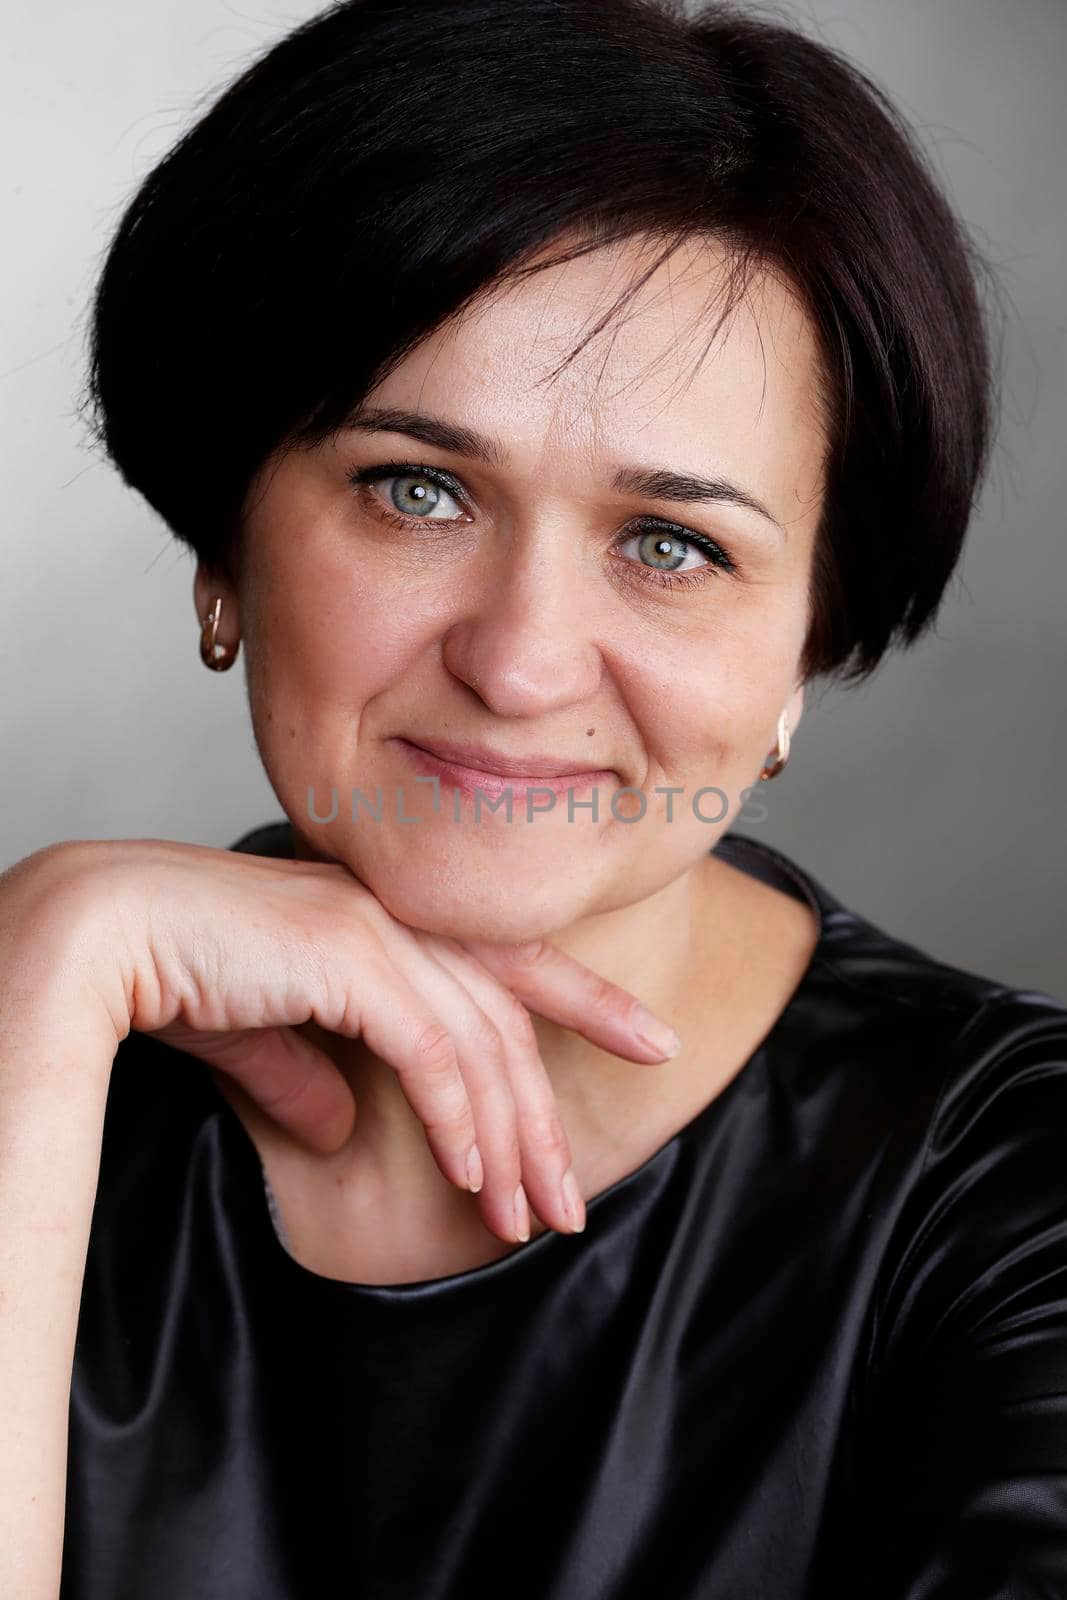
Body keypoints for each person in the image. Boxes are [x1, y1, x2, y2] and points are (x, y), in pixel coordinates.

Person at [1, 0, 1064, 1594]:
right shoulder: (33, 1042)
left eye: (672, 544)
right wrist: (45, 966)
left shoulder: (1019, 1192)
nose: (518, 663)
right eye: (416, 490)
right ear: (225, 542)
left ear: (809, 640)